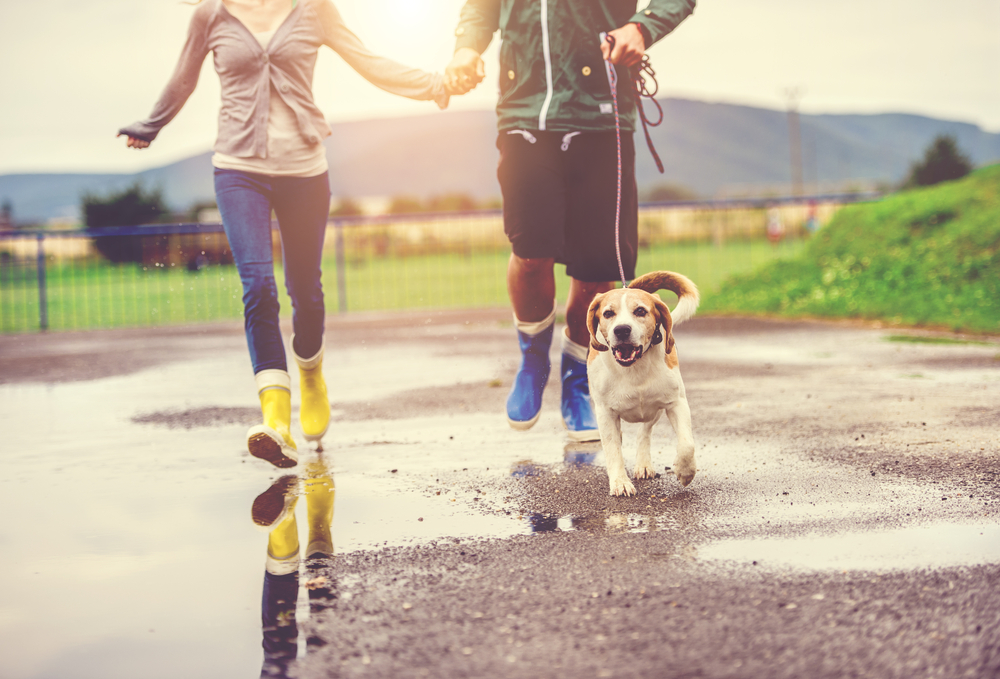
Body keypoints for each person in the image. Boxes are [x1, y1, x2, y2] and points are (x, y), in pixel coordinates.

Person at [120, 0, 467, 466]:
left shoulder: (313, 9)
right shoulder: (211, 15)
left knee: (306, 289)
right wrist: (151, 123)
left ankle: (311, 374)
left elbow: (367, 61)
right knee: (258, 287)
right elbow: (184, 79)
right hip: (238, 170)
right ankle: (277, 422)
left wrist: (435, 85)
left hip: (304, 170)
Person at [445, 1, 695, 441]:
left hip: (600, 114)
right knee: (530, 253)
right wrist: (467, 47)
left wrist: (642, 27)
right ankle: (533, 359)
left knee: (597, 268)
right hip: (524, 113)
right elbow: (481, 8)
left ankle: (579, 373)